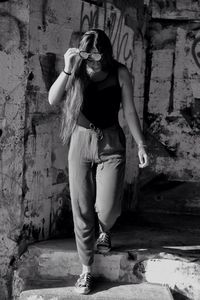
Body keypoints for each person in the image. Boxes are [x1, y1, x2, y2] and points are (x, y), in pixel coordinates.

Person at [48, 28, 148, 295]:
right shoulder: (76, 70)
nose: (92, 62)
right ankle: (86, 270)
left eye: (96, 56)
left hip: (111, 142)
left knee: (107, 209)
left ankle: (105, 229)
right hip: (80, 141)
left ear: (106, 52)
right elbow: (53, 99)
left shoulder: (120, 72)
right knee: (81, 209)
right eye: (87, 56)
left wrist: (140, 143)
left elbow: (129, 110)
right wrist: (68, 68)